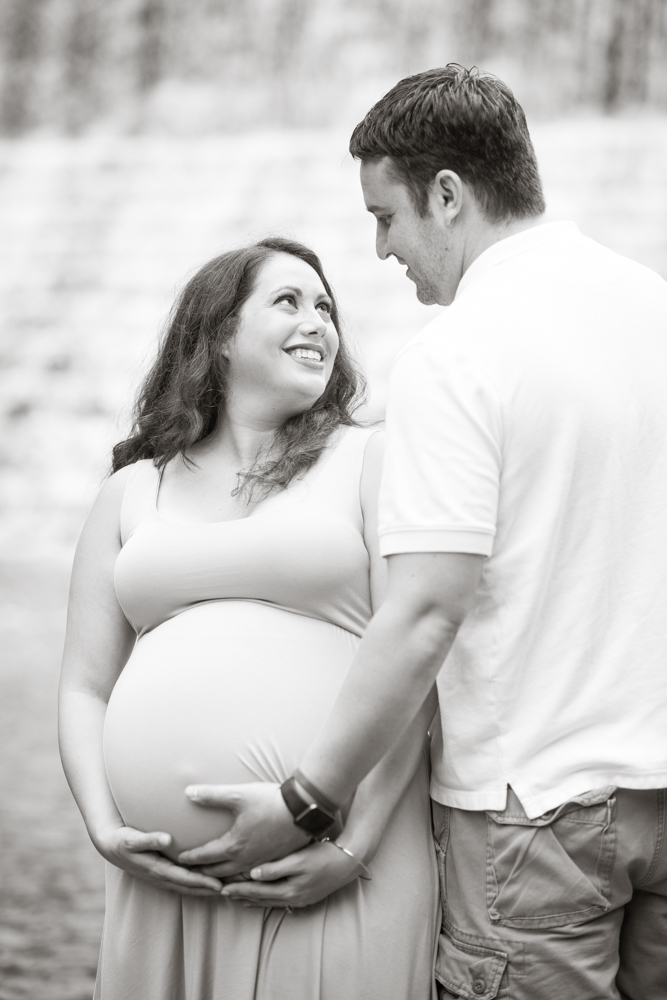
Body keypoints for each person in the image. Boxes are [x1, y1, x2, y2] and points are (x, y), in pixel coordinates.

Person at [182, 68, 667, 999]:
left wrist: (307, 802)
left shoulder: (459, 350)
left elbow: (423, 612)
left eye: (385, 216)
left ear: (447, 194)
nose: (379, 251)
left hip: (534, 816)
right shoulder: (652, 304)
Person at [58, 236, 440, 1000]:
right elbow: (83, 687)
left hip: (332, 863)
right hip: (162, 878)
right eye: (289, 302)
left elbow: (418, 662)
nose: (318, 323)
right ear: (219, 336)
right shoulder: (131, 490)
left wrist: (351, 844)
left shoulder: (369, 462)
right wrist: (105, 829)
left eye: (326, 307)